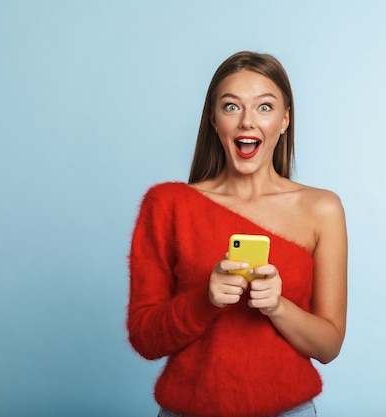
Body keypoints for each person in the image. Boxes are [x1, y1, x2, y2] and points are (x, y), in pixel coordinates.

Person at [127, 51, 348, 417]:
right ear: (214, 120)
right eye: (231, 107)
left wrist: (278, 307)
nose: (248, 122)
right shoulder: (167, 205)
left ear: (284, 119)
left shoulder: (322, 209)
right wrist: (206, 300)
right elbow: (146, 339)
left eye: (264, 107)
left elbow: (328, 346)